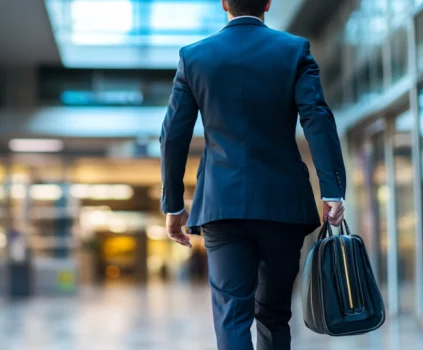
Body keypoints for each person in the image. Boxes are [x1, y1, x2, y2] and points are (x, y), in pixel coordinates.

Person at [159, 1, 346, 349]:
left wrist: (173, 205)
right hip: (283, 205)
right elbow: (317, 119)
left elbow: (173, 135)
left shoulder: (194, 56)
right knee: (274, 314)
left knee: (231, 315)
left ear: (223, 3)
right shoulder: (294, 50)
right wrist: (332, 190)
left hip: (221, 205)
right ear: (268, 3)